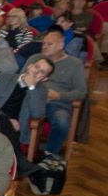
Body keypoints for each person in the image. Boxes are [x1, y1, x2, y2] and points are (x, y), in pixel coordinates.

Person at [19, 27, 88, 157]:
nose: (44, 47)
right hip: (31, 98)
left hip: (57, 103)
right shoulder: (35, 58)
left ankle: (51, 155)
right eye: (44, 43)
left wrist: (58, 96)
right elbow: (21, 78)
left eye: (49, 44)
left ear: (61, 45)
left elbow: (81, 92)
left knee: (62, 122)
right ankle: (21, 148)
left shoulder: (75, 64)